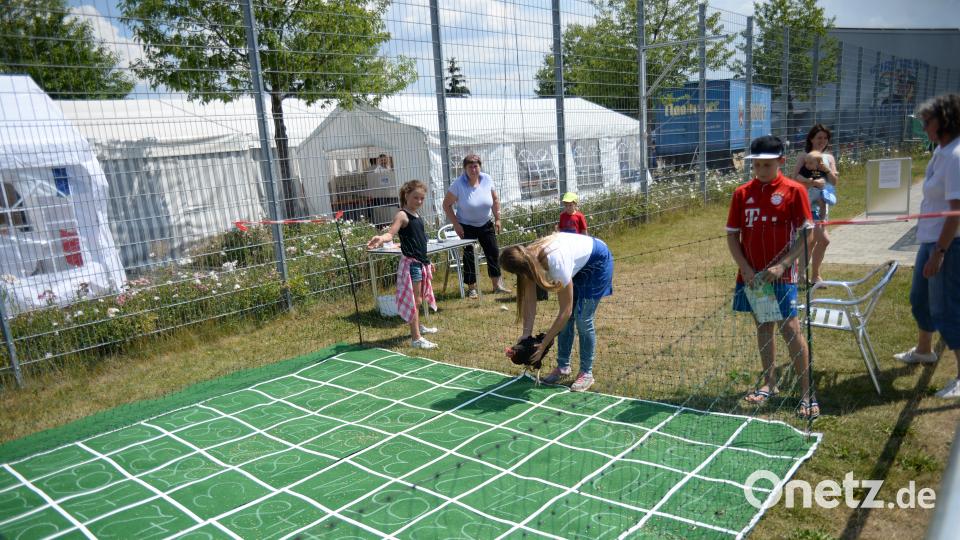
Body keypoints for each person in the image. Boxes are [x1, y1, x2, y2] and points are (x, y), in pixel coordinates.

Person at [728, 135, 818, 419]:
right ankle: (770, 382)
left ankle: (807, 393)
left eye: (767, 165)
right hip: (754, 279)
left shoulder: (794, 191)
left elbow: (808, 233)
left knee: (791, 330)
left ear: (781, 161)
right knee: (764, 326)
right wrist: (745, 268)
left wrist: (784, 265)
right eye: (756, 165)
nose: (761, 171)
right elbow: (733, 236)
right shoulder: (742, 194)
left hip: (783, 277)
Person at [893, 94, 960, 399]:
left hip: (948, 243)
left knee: (945, 308)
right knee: (919, 298)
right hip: (929, 238)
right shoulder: (941, 151)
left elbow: (956, 211)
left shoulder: (957, 155)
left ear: (944, 120)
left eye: (927, 121)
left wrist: (940, 253)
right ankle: (924, 350)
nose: (922, 126)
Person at [499, 233, 614, 392]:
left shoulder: (556, 262)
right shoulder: (526, 260)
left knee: (583, 319)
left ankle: (586, 373)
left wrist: (543, 345)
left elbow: (565, 310)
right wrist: (526, 334)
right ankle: (563, 367)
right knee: (566, 323)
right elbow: (530, 301)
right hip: (579, 264)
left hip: (597, 263)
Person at [367, 180, 439, 349]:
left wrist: (428, 261)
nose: (419, 202)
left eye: (422, 198)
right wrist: (380, 239)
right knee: (414, 301)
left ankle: (418, 328)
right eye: (416, 198)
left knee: (419, 299)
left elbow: (419, 242)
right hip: (412, 266)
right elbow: (391, 233)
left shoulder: (417, 215)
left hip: (421, 264)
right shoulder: (402, 215)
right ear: (406, 195)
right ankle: (416, 339)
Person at [442, 154, 511, 298]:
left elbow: (495, 199)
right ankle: (471, 288)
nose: (473, 169)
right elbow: (446, 205)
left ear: (480, 166)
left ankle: (497, 285)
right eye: (470, 167)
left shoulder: (487, 179)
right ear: (465, 169)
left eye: (476, 166)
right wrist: (456, 224)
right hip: (466, 226)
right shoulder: (458, 184)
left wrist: (498, 219)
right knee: (469, 256)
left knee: (492, 253)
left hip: (486, 223)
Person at [792, 124, 840, 283]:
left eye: (825, 138)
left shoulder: (830, 158)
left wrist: (826, 169)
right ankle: (812, 275)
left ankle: (806, 275)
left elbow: (834, 181)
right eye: (819, 137)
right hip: (806, 205)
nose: (822, 141)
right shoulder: (804, 156)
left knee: (811, 241)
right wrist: (812, 182)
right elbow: (794, 180)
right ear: (811, 138)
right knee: (824, 240)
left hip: (822, 205)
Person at [797, 150, 838, 223]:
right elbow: (798, 177)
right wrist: (807, 180)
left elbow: (826, 180)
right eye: (806, 163)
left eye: (810, 163)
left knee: (822, 204)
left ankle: (822, 219)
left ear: (818, 163)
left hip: (820, 192)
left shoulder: (821, 170)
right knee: (807, 204)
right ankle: (805, 218)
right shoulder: (805, 169)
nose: (807, 165)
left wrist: (822, 179)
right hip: (810, 191)